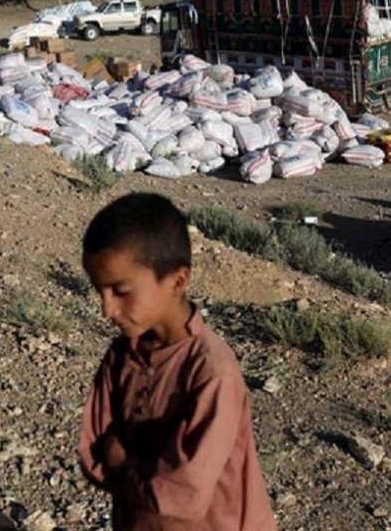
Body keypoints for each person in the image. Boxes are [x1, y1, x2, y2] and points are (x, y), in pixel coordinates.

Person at [78, 192, 277, 531]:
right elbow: (94, 451)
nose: (107, 310)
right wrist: (142, 475)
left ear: (177, 281)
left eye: (121, 291)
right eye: (100, 291)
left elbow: (183, 497)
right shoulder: (122, 355)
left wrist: (124, 465)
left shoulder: (211, 372)